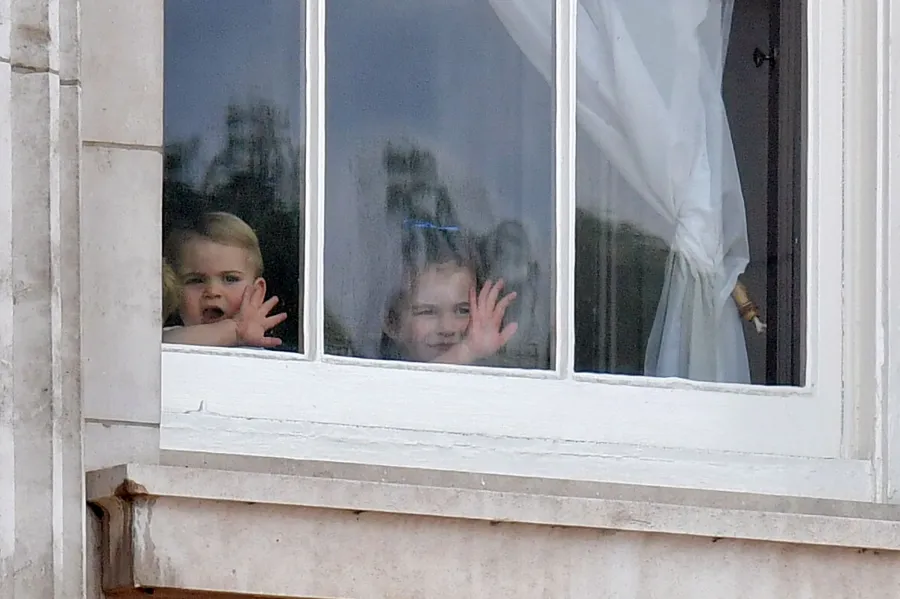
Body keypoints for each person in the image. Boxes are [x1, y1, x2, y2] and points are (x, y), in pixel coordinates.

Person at [380, 221, 518, 364]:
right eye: (427, 312)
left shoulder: (498, 377)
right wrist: (466, 352)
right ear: (393, 323)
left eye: (463, 310)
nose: (447, 328)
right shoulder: (371, 375)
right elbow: (417, 385)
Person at [162, 211, 286, 347]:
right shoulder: (173, 338)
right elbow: (161, 345)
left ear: (257, 292)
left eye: (230, 279)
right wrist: (235, 330)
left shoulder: (263, 358)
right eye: (195, 280)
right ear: (174, 292)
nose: (213, 291)